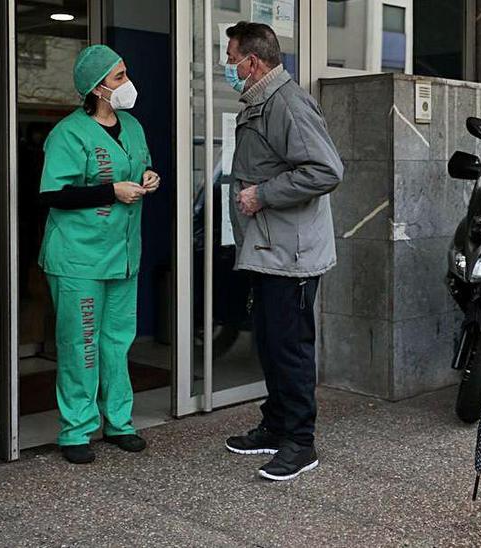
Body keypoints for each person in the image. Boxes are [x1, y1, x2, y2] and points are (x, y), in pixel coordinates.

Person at [220, 21, 344, 481]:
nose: (228, 67)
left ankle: (299, 442)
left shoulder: (287, 104)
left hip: (291, 255)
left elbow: (326, 170)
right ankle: (275, 426)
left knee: (289, 348)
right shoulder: (262, 102)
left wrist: (263, 194)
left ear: (253, 62)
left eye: (232, 59)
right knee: (271, 344)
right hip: (269, 249)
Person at [38, 45, 159, 464]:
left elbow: (138, 167)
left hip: (123, 253)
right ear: (97, 87)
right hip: (79, 257)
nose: (127, 84)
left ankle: (120, 422)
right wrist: (111, 191)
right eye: (119, 77)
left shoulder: (133, 126)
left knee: (116, 342)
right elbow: (54, 192)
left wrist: (147, 177)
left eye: (125, 74)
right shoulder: (68, 133)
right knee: (80, 344)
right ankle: (75, 429)